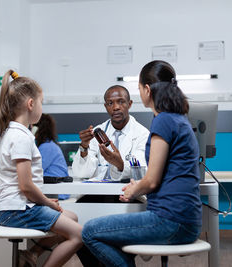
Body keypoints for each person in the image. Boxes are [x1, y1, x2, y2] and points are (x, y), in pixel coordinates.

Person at [81, 60, 202, 267]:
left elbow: (152, 181)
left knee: (89, 231)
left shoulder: (163, 120)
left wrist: (134, 190)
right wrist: (137, 185)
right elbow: (160, 175)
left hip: (169, 220)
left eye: (138, 89)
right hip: (185, 218)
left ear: (147, 89)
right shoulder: (178, 118)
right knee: (110, 238)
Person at [0, 70, 82, 267]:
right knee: (79, 234)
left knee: (72, 217)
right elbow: (25, 186)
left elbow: (25, 187)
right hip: (17, 211)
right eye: (42, 103)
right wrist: (47, 203)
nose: (42, 108)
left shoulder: (15, 133)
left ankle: (32, 254)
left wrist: (42, 201)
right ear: (31, 104)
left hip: (16, 207)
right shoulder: (21, 137)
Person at [72, 85, 149, 181]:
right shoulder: (98, 132)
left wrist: (120, 164)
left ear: (129, 104)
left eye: (121, 102)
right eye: (110, 103)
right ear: (105, 106)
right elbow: (81, 173)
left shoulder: (142, 134)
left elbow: (141, 171)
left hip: (128, 192)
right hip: (99, 192)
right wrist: (84, 146)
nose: (116, 107)